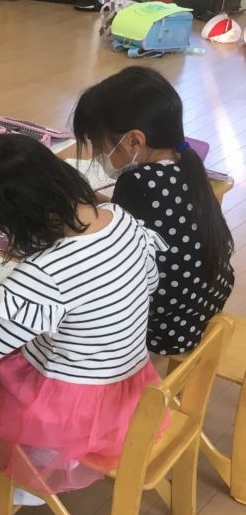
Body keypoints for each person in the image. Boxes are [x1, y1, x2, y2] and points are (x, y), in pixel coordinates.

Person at [0, 135, 164, 508]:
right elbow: (149, 282)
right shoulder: (119, 218)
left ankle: (27, 467)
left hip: (69, 410)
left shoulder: (46, 271)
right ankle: (38, 460)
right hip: (127, 384)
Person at [73, 66, 234, 355]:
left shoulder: (137, 183)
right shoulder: (186, 163)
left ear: (134, 140)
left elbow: (109, 252)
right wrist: (95, 201)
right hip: (202, 312)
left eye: (99, 145)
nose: (98, 154)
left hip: (159, 330)